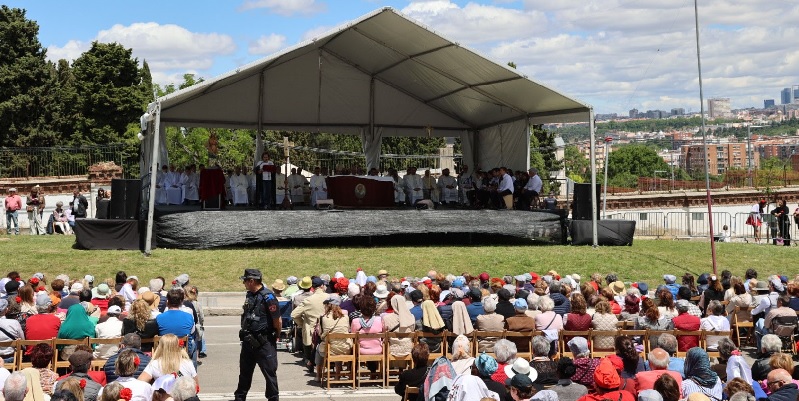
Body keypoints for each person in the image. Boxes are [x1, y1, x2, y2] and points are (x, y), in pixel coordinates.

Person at [235, 269, 281, 401]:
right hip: (248, 342)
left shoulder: (269, 297)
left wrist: (275, 335)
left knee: (269, 374)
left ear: (252, 281)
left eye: (245, 280)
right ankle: (239, 397)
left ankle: (273, 398)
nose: (244, 283)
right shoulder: (249, 295)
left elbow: (277, 320)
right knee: (244, 374)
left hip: (264, 342)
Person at [291, 276, 326, 370]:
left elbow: (294, 314)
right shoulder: (328, 297)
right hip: (326, 328)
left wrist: (302, 324)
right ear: (322, 286)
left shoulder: (308, 300)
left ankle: (310, 363)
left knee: (308, 348)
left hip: (311, 329)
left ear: (312, 287)